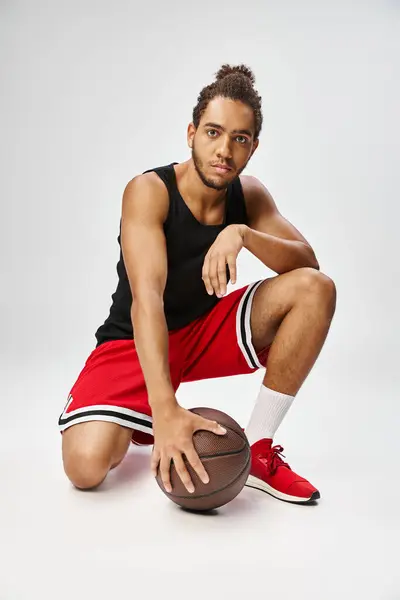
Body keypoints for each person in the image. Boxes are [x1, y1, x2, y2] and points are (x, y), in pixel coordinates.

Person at [59, 64, 336, 504]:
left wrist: (242, 234)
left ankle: (260, 452)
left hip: (205, 332)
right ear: (191, 133)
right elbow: (146, 300)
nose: (224, 149)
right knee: (86, 467)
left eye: (239, 139)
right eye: (213, 132)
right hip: (134, 342)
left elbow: (309, 266)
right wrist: (166, 410)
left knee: (315, 288)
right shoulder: (149, 190)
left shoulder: (250, 196)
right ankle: (146, 416)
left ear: (252, 148)